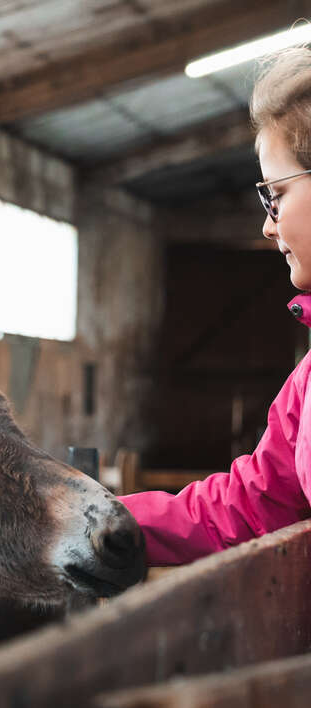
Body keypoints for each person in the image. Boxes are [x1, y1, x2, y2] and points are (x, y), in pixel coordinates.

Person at [120, 46, 311, 566]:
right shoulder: (307, 384)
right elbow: (252, 506)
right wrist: (104, 521)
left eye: (277, 194)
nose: (268, 225)